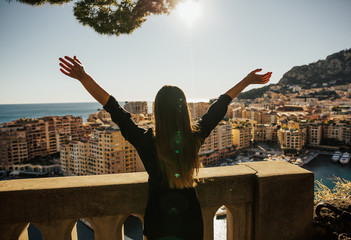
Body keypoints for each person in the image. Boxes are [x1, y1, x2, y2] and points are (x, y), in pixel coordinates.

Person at [59, 56, 271, 240]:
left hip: (158, 224)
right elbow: (219, 107)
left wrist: (84, 78)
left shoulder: (146, 141)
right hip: (191, 223)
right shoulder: (194, 137)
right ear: (184, 109)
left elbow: (114, 108)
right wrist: (247, 81)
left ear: (156, 111)